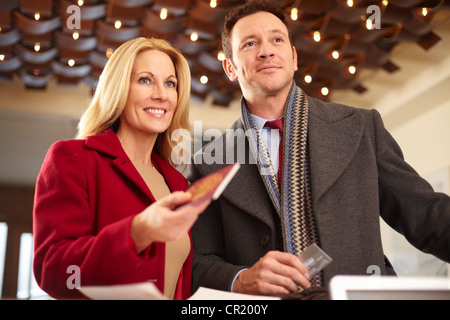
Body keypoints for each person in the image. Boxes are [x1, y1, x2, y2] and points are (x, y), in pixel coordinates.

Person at [189, 0, 450, 296]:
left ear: (294, 56)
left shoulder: (361, 127)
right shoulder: (208, 162)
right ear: (230, 67)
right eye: (250, 44)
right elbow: (197, 262)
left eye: (277, 39)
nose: (266, 50)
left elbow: (427, 215)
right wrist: (241, 278)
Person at [33, 37, 210, 300]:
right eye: (145, 80)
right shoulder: (73, 158)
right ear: (119, 89)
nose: (161, 94)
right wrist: (137, 232)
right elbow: (55, 271)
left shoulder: (177, 183)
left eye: (170, 83)